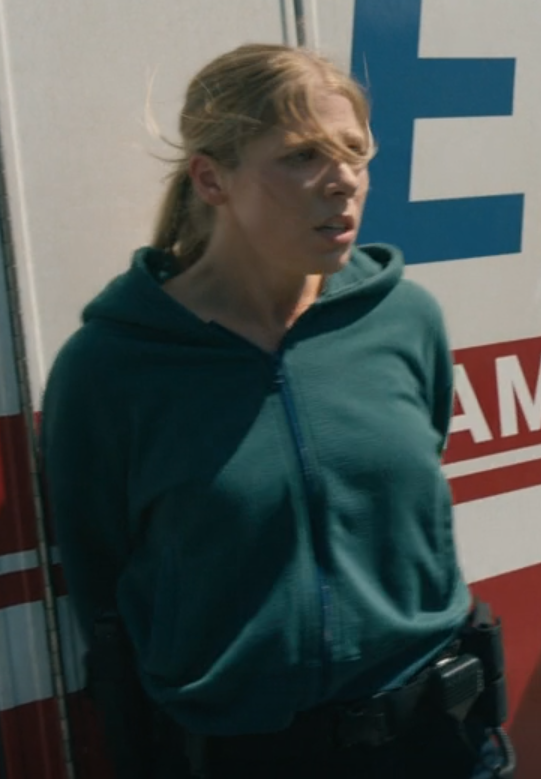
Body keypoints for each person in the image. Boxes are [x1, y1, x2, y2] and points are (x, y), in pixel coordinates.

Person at [41, 43, 514, 779]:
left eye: (353, 153)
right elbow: (106, 583)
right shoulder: (111, 368)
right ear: (211, 178)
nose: (343, 181)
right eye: (302, 156)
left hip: (439, 743)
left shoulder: (403, 319)